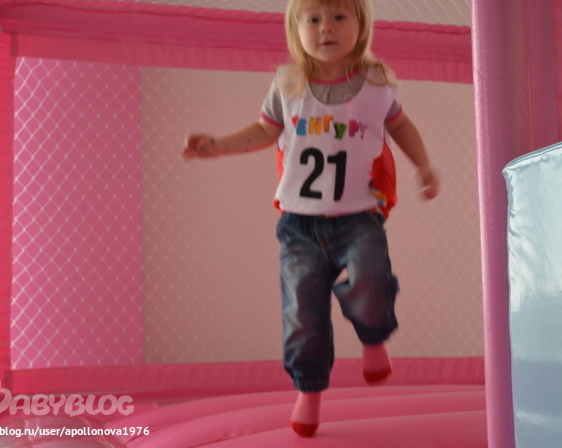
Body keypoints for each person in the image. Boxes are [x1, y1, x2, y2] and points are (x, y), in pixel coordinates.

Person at [181, 0, 440, 437]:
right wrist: (219, 145)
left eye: (339, 17)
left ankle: (373, 338)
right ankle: (309, 392)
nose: (326, 28)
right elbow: (264, 131)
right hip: (300, 225)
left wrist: (424, 165)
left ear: (361, 25)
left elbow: (400, 126)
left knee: (372, 282)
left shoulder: (376, 84)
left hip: (359, 217)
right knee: (303, 315)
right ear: (296, 28)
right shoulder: (288, 85)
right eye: (314, 19)